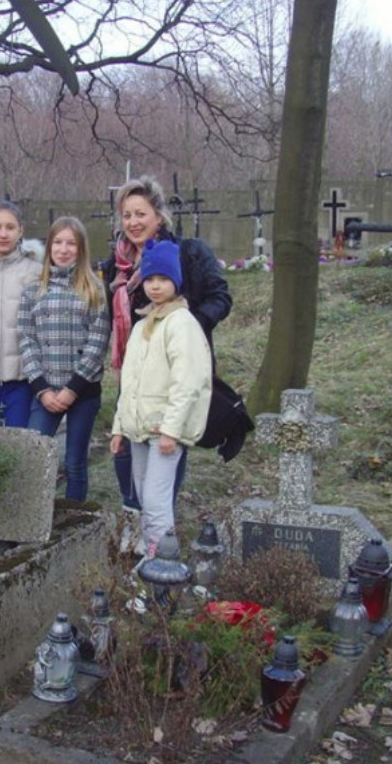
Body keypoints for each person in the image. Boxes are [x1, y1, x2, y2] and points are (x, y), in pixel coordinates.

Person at [100, 176, 232, 523]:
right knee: (126, 452)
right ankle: (135, 522)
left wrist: (183, 329)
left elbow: (221, 297)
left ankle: (159, 529)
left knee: (164, 448)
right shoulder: (117, 264)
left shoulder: (187, 254)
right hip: (133, 373)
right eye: (126, 215)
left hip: (174, 371)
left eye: (140, 213)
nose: (133, 223)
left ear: (159, 215)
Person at [109, 239, 212, 557]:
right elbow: (131, 383)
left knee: (156, 501)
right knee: (142, 495)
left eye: (163, 280)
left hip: (163, 431)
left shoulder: (181, 323)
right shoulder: (142, 326)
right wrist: (119, 427)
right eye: (150, 279)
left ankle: (164, 568)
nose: (155, 286)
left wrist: (172, 429)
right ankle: (151, 564)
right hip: (140, 428)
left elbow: (188, 381)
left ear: (175, 282)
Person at [17, 216, 111, 501]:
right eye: (58, 242)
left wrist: (73, 389)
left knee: (74, 463)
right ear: (49, 247)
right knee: (33, 458)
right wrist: (42, 389)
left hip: (82, 391)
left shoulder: (94, 288)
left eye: (71, 243)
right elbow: (26, 338)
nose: (64, 249)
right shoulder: (33, 290)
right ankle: (33, 517)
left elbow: (98, 341)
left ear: (81, 249)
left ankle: (73, 519)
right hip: (45, 391)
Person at [0, 200, 43, 427]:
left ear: (20, 230)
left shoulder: (35, 271)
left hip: (21, 379)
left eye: (10, 227)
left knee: (17, 445)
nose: (3, 234)